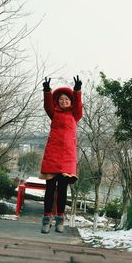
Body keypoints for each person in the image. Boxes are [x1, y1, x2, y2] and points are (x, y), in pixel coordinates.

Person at [39, 75, 83, 234]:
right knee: (50, 189)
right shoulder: (54, 113)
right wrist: (47, 91)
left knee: (63, 190)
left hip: (67, 158)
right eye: (61, 100)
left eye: (67, 99)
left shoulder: (75, 115)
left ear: (71, 102)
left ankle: (60, 220)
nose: (64, 101)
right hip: (53, 155)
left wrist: (77, 90)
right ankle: (46, 219)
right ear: (57, 102)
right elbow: (47, 105)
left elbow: (79, 105)